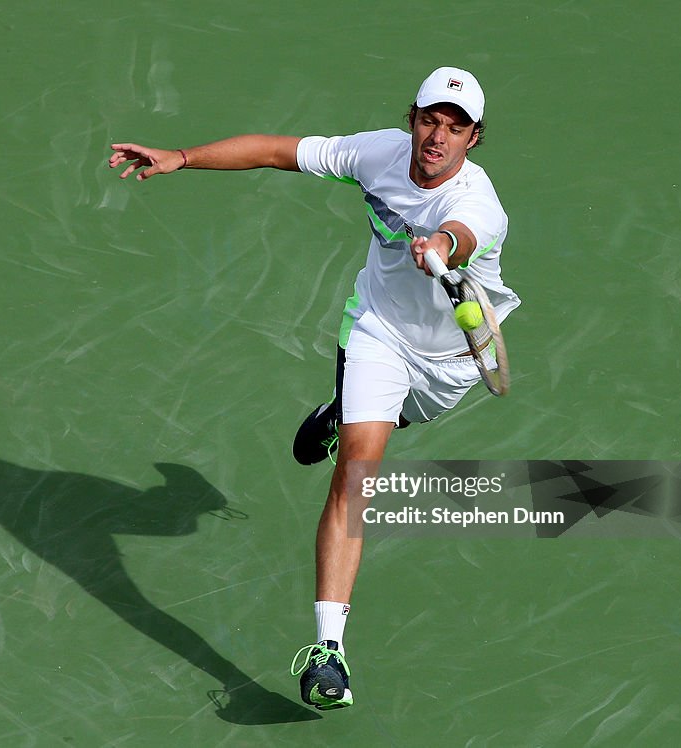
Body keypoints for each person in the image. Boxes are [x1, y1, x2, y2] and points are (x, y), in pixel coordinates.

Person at [108, 66, 520, 711]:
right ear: (412, 118)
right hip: (379, 331)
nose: (438, 136)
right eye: (429, 119)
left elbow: (461, 235)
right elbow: (277, 152)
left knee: (391, 424)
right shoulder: (379, 152)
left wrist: (440, 242)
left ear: (475, 137)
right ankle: (329, 655)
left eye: (456, 126)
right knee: (359, 472)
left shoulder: (478, 206)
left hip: (451, 361)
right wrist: (180, 158)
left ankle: (342, 408)